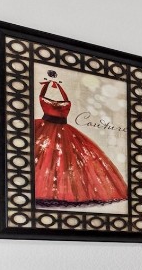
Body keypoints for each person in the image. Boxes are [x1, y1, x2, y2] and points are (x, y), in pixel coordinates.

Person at [33, 70, 127, 207]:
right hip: (45, 128)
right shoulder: (45, 93)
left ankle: (62, 193)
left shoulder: (62, 95)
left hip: (64, 130)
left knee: (67, 162)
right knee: (46, 160)